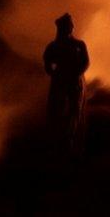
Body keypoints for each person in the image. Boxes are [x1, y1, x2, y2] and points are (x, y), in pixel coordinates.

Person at [43, 13, 89, 150]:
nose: (71, 28)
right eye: (67, 25)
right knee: (57, 110)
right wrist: (55, 74)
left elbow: (86, 62)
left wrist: (77, 73)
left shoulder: (79, 45)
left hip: (75, 82)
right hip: (60, 82)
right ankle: (57, 139)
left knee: (75, 110)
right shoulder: (53, 46)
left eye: (71, 25)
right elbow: (47, 62)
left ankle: (71, 138)